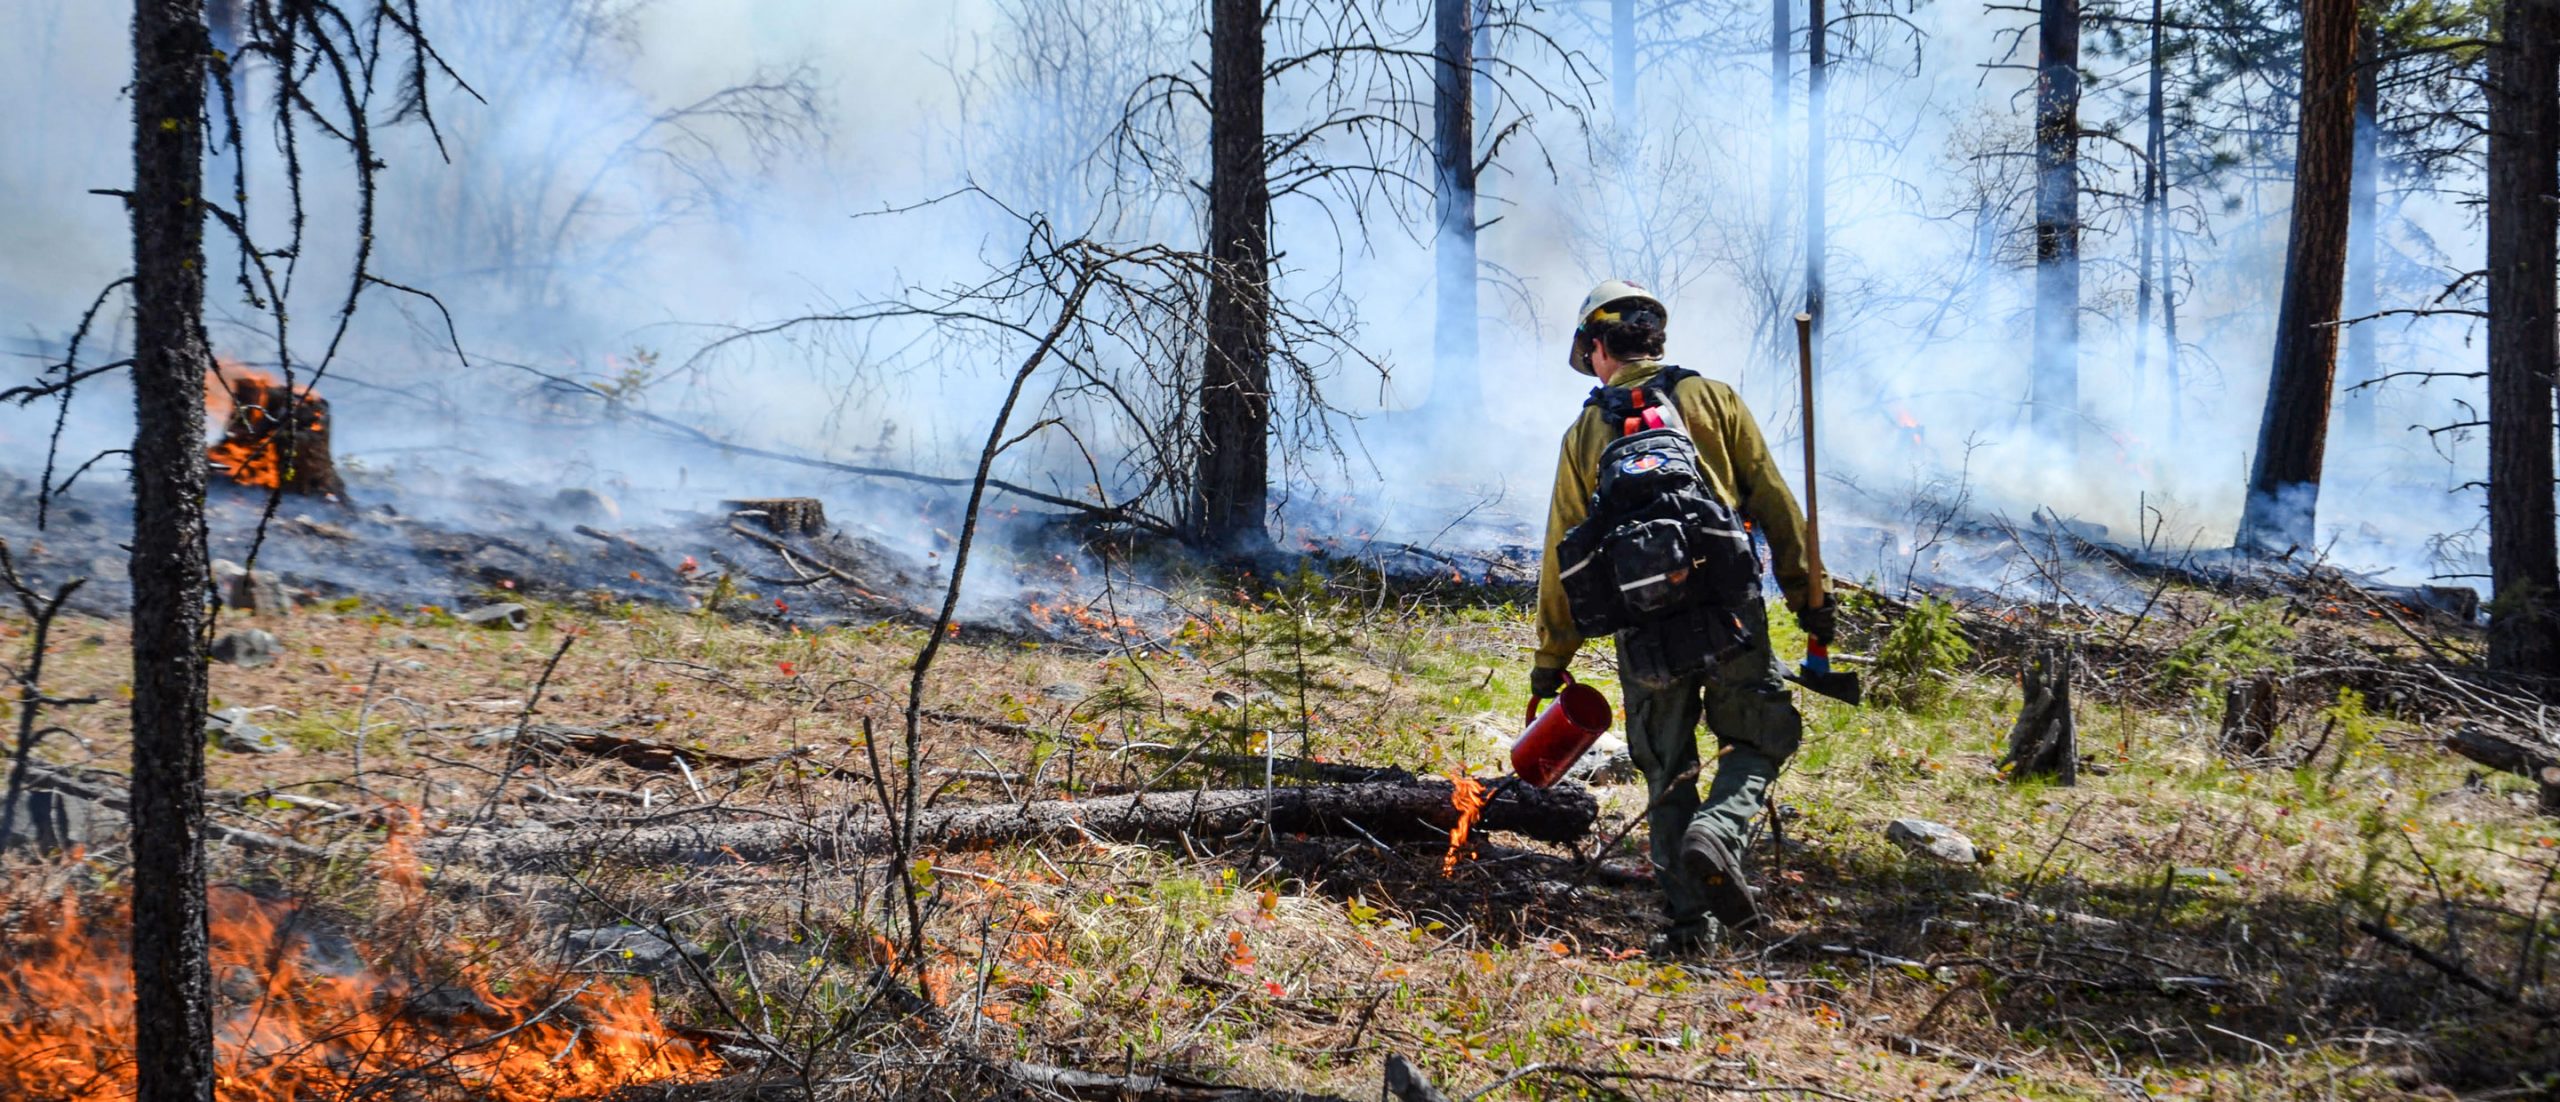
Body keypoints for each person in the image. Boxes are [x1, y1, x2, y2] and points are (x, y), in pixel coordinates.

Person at [1529, 280, 1832, 952]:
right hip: (1728, 611)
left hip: (1645, 633)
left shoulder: (1585, 432)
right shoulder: (1712, 399)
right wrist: (1811, 595)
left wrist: (1552, 661)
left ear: (1600, 347)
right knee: (1761, 734)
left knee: (1666, 770)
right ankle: (1720, 832)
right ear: (1655, 339)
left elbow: (1562, 550)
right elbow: (1776, 502)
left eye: (1591, 355)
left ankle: (1692, 929)